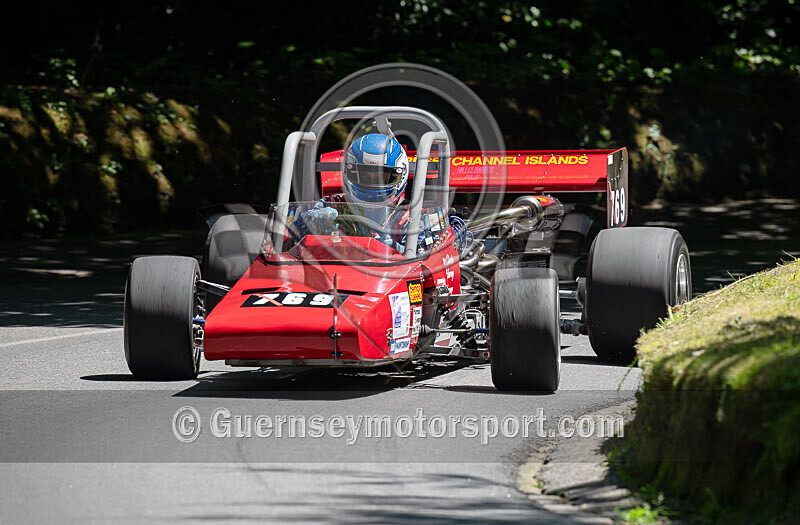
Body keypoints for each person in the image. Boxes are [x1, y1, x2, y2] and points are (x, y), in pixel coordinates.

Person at [294, 133, 432, 253]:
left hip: (388, 273)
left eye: (381, 177)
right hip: (332, 271)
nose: (372, 184)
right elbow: (290, 238)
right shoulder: (332, 205)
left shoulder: (410, 217)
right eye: (365, 176)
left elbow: (421, 260)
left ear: (400, 176)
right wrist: (311, 221)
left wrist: (391, 247)